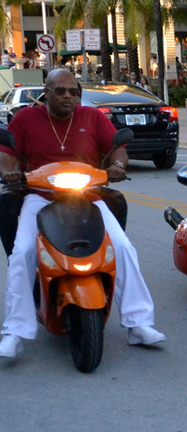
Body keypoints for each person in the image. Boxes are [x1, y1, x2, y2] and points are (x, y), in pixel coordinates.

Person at [0, 69, 165, 358]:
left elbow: (118, 150)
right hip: (41, 197)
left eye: (73, 91)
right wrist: (11, 174)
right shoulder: (26, 118)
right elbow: (6, 157)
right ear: (46, 93)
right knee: (23, 252)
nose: (67, 96)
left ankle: (139, 323)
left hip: (88, 195)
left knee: (122, 247)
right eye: (60, 91)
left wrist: (118, 167)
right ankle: (15, 331)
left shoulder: (93, 117)